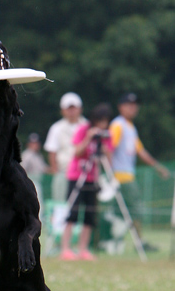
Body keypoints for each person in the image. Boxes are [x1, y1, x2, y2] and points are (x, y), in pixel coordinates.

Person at [110, 93, 170, 251]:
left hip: (127, 175)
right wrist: (110, 174)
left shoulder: (130, 127)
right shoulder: (118, 125)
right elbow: (109, 148)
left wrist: (158, 167)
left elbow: (141, 152)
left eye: (135, 105)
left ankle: (120, 242)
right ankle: (139, 243)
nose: (133, 108)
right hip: (120, 176)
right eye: (129, 104)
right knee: (136, 209)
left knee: (121, 212)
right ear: (121, 107)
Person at [60, 103, 113, 261]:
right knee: (73, 212)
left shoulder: (106, 135)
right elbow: (77, 151)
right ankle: (66, 249)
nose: (102, 125)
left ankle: (83, 249)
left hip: (93, 177)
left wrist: (103, 145)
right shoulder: (84, 129)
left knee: (90, 214)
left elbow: (109, 158)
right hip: (77, 175)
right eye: (100, 121)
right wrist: (89, 137)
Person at [44, 92, 88, 202]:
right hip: (63, 173)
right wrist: (55, 171)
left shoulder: (88, 126)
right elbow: (52, 152)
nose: (71, 111)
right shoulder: (56, 128)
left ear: (80, 109)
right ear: (62, 110)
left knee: (83, 206)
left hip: (84, 173)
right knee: (60, 204)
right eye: (68, 108)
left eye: (74, 108)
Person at [21, 132, 50, 213]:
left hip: (38, 182)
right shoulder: (26, 155)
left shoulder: (38, 155)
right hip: (30, 182)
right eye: (32, 143)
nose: (35, 145)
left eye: (36, 143)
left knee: (39, 203)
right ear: (29, 144)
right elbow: (22, 170)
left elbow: (44, 169)